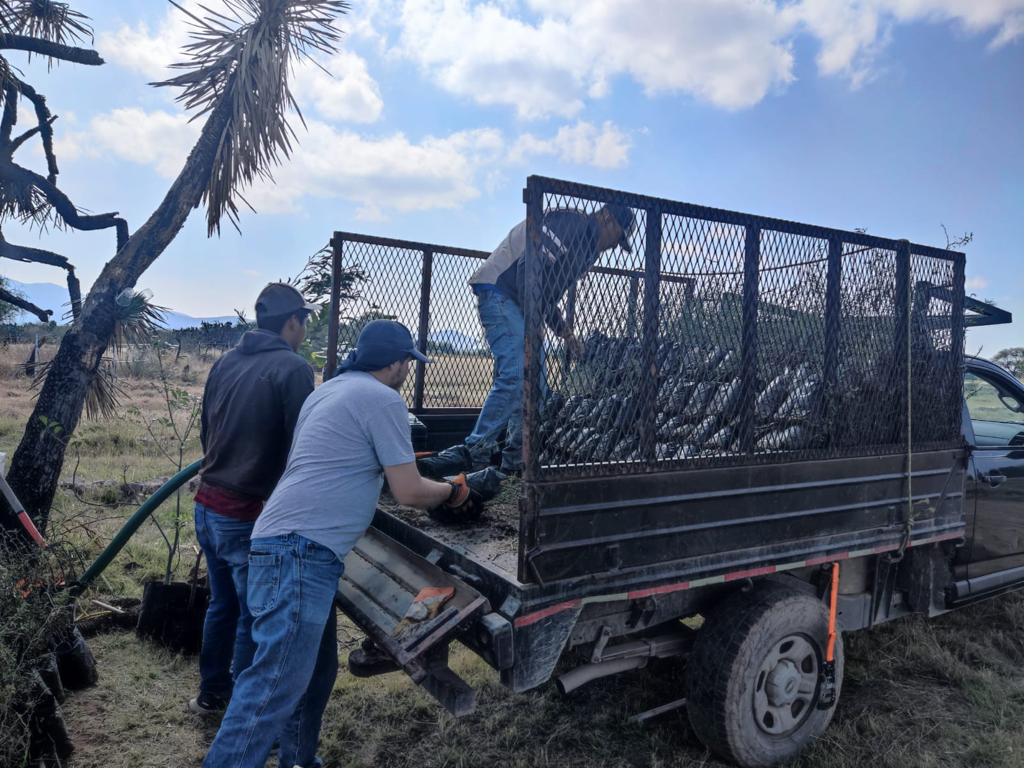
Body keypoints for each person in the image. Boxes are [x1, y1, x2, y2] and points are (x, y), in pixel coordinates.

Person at [202, 320, 480, 768]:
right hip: (299, 554)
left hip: (284, 543)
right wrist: (453, 491)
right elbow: (408, 491)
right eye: (409, 361)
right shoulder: (382, 399)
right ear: (395, 362)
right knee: (271, 688)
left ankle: (299, 760)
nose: (409, 369)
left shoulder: (327, 391)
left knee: (313, 674)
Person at [420, 203, 636, 477]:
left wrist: (565, 333)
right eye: (617, 236)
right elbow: (528, 269)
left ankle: (514, 464)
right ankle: (474, 451)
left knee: (538, 389)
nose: (614, 246)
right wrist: (533, 320)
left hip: (522, 304)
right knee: (517, 374)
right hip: (502, 291)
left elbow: (548, 293)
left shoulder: (587, 249)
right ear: (607, 216)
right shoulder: (571, 224)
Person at [188, 283, 317, 716]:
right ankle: (243, 716)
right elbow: (302, 446)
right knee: (251, 614)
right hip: (244, 514)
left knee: (222, 604)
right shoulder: (292, 368)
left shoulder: (226, 362)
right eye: (304, 322)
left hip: (206, 505)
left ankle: (211, 695)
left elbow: (207, 432)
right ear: (293, 322)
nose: (304, 330)